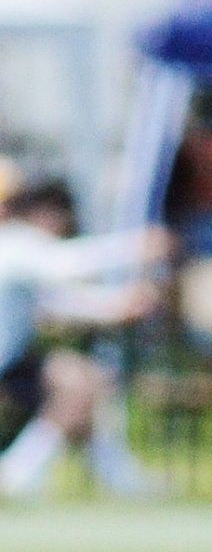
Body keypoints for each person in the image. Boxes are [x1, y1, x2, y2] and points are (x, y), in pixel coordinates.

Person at [0, 172, 166, 499]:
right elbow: (61, 265)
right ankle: (19, 473)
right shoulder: (14, 244)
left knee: (82, 382)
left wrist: (114, 306)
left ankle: (104, 470)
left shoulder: (17, 247)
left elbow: (51, 299)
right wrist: (135, 246)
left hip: (10, 359)